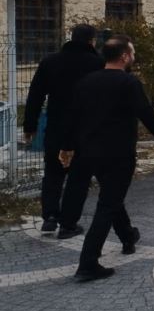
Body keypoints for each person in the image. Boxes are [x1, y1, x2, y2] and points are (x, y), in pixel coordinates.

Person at [59, 35, 154, 281]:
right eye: (132, 53)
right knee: (108, 204)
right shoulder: (128, 83)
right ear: (124, 56)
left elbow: (72, 117)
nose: (133, 57)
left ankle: (127, 236)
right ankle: (88, 263)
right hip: (118, 154)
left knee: (112, 197)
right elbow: (146, 114)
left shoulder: (85, 82)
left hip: (88, 152)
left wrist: (67, 147)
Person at [22, 23, 104, 236]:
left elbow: (35, 95)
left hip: (57, 126)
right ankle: (69, 221)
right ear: (91, 41)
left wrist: (29, 126)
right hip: (85, 129)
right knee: (79, 176)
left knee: (53, 172)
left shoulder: (50, 62)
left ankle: (50, 215)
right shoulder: (97, 63)